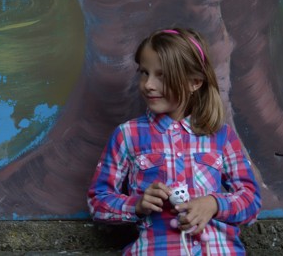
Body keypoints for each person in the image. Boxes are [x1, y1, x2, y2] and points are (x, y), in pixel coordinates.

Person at [87, 27, 261, 255]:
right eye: (144, 73)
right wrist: (136, 205)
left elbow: (251, 201)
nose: (148, 84)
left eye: (162, 75)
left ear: (194, 82)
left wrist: (214, 204)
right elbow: (98, 202)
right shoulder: (127, 135)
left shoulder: (221, 136)